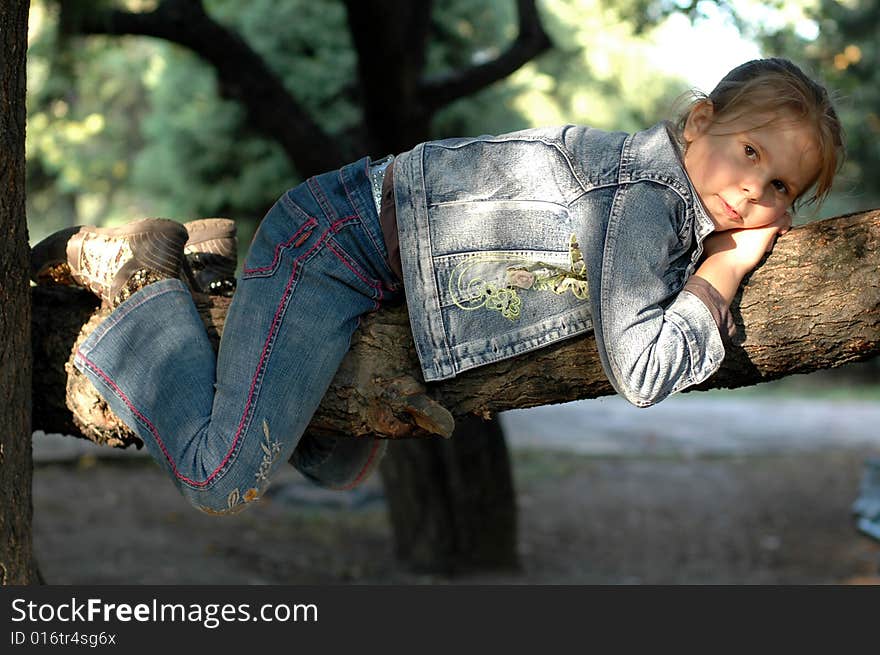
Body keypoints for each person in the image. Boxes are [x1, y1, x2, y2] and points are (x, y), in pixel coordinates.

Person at [31, 58, 845, 515]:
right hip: (337, 239)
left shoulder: (664, 208)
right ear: (700, 121)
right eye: (749, 153)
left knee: (344, 462)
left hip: (376, 272)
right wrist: (729, 268)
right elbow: (641, 369)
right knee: (222, 474)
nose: (755, 193)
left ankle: (211, 276)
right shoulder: (647, 202)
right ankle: (141, 278)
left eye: (781, 188)